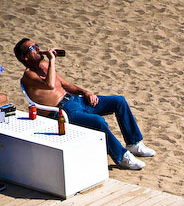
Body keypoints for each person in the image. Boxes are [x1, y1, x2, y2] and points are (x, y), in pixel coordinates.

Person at [14, 38, 155, 170]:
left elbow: (65, 84)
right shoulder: (28, 76)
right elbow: (50, 85)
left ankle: (134, 144)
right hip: (61, 112)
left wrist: (85, 92)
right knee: (98, 121)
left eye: (37, 45)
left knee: (119, 101)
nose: (38, 49)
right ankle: (122, 157)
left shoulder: (44, 65)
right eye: (33, 48)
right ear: (25, 57)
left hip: (76, 100)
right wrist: (52, 60)